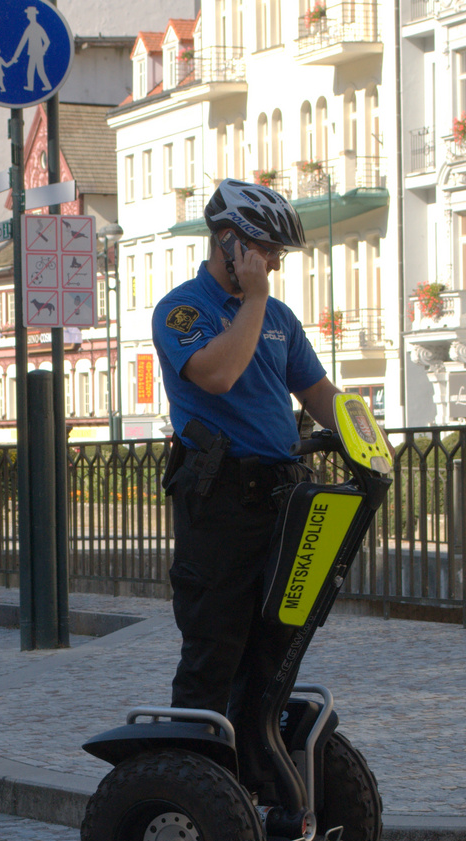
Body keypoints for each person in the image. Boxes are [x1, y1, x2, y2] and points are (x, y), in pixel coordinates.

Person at [152, 178, 344, 797]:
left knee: (276, 645)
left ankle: (260, 771)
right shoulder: (183, 311)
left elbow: (318, 395)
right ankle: (194, 790)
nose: (274, 266)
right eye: (265, 251)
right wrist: (255, 296)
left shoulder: (280, 319)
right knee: (215, 647)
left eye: (278, 257)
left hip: (283, 495)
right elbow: (219, 372)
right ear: (228, 242)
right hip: (219, 498)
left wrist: (363, 436)